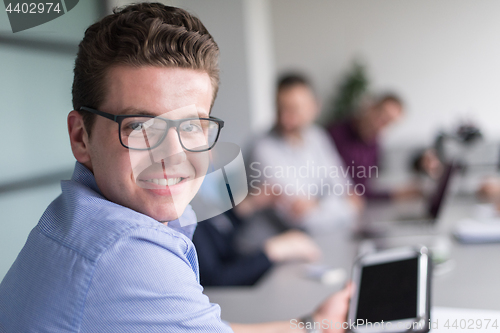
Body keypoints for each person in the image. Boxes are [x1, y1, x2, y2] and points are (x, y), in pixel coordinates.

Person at [0, 4, 352, 332]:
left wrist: (313, 323)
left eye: (192, 126)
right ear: (81, 138)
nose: (174, 155)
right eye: (140, 126)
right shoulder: (125, 254)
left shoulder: (76, 219)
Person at [248, 74, 363, 234]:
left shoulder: (318, 137)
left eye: (294, 110)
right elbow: (300, 219)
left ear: (315, 107)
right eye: (280, 109)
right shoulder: (262, 148)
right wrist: (342, 206)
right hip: (271, 250)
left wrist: (316, 204)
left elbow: (349, 192)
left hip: (322, 239)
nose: (285, 119)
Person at [193, 206, 321, 287]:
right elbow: (213, 281)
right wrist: (274, 250)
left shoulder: (205, 203)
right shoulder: (187, 215)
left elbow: (224, 248)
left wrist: (246, 207)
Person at [328, 93, 420, 201]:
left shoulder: (374, 145)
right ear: (371, 107)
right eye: (382, 116)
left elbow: (361, 190)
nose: (382, 125)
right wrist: (394, 194)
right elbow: (349, 191)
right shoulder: (335, 135)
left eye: (389, 122)